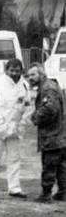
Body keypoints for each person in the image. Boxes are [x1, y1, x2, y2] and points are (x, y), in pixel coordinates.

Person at [0, 58, 33, 200]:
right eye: (12, 70)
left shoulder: (24, 85)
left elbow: (28, 106)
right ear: (6, 70)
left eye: (17, 71)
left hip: (15, 129)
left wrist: (23, 123)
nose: (14, 73)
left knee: (14, 159)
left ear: (21, 71)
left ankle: (14, 188)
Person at [27, 63, 66, 203]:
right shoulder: (49, 86)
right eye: (28, 75)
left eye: (33, 74)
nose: (30, 78)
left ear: (41, 74)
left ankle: (46, 194)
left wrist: (35, 117)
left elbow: (51, 109)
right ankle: (62, 192)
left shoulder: (48, 88)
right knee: (61, 165)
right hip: (59, 134)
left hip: (52, 135)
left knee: (49, 164)